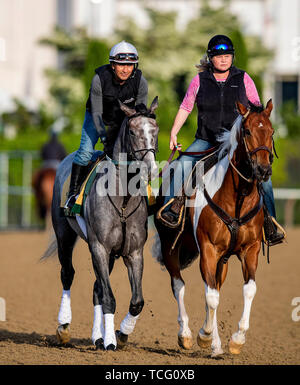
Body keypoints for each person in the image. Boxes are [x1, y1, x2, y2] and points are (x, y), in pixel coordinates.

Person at [159, 34, 284, 246]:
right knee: (181, 167)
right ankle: (172, 212)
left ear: (232, 58)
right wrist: (173, 132)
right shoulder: (199, 80)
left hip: (237, 143)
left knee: (265, 177)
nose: (223, 60)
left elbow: (257, 110)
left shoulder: (243, 79)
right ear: (210, 59)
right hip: (206, 140)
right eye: (218, 56)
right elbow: (186, 107)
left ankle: (270, 223)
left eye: (227, 55)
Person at [64, 41, 148, 214]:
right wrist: (104, 137)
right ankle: (72, 195)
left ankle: (145, 197)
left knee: (139, 152)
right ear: (112, 65)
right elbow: (96, 113)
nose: (125, 69)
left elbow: (139, 116)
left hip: (124, 120)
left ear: (135, 66)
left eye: (130, 65)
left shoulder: (141, 81)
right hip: (97, 117)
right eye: (121, 65)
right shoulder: (99, 79)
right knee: (86, 151)